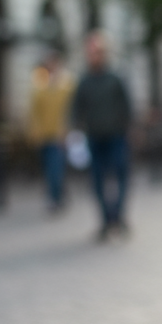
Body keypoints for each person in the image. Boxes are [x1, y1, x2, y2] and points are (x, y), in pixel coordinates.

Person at [70, 32, 132, 240]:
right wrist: (74, 131)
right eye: (91, 52)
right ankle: (106, 221)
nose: (93, 56)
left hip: (116, 136)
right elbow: (76, 109)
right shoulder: (85, 81)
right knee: (97, 181)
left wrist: (128, 128)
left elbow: (126, 107)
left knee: (120, 177)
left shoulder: (114, 79)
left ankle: (118, 217)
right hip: (94, 137)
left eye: (97, 52)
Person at [27, 52, 74, 213]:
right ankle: (57, 194)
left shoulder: (66, 84)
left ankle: (55, 197)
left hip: (59, 134)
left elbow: (70, 109)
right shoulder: (40, 84)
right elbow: (35, 110)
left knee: (56, 166)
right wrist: (35, 131)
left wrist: (67, 128)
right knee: (49, 167)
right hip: (44, 134)